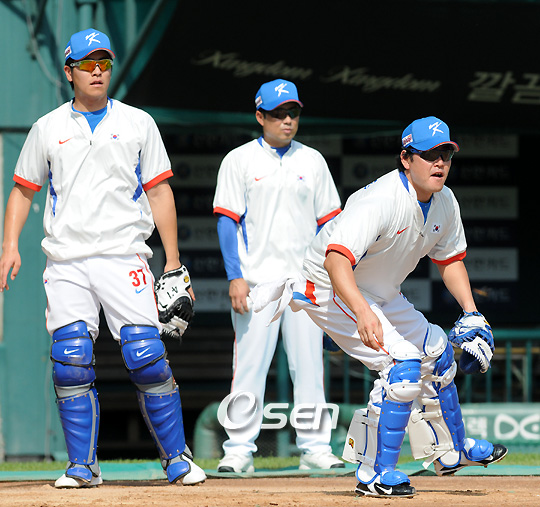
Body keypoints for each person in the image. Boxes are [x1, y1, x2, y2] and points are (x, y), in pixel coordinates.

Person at [247, 116, 507, 497]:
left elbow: (450, 260)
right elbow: (336, 260)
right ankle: (374, 473)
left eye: (446, 154)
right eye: (430, 155)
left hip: (380, 290)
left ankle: (451, 451)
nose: (439, 163)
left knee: (438, 353)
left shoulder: (445, 202)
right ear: (406, 158)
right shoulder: (382, 200)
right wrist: (361, 311)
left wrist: (471, 312)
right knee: (402, 365)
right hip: (329, 286)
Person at [0, 28, 206, 488]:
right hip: (67, 260)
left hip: (123, 254)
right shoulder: (47, 127)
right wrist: (9, 244)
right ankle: (82, 466)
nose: (97, 71)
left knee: (146, 354)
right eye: (87, 64)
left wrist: (173, 261)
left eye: (105, 63)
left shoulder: (138, 122)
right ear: (69, 71)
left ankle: (177, 458)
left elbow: (159, 191)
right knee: (70, 357)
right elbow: (22, 190)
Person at [212, 79, 344, 472]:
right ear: (260, 116)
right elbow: (226, 221)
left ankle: (315, 448)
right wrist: (235, 276)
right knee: (249, 368)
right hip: (257, 282)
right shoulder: (239, 159)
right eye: (278, 113)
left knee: (310, 368)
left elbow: (330, 224)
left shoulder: (313, 160)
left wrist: (331, 281)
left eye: (293, 112)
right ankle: (238, 450)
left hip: (306, 282)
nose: (287, 120)